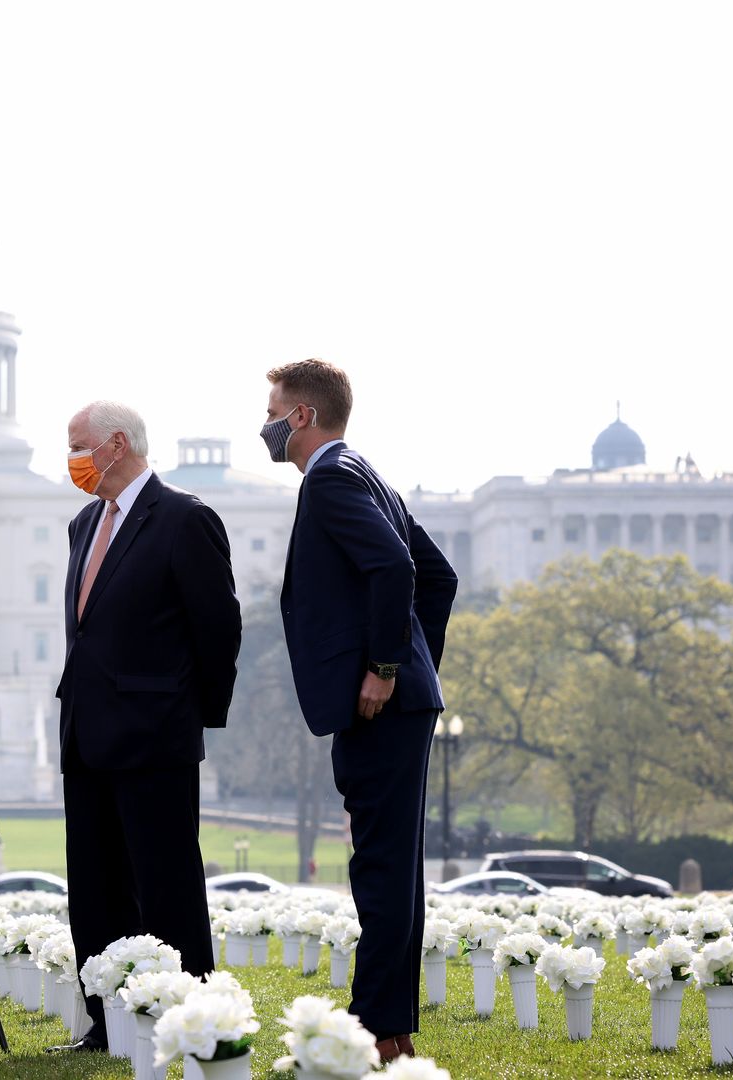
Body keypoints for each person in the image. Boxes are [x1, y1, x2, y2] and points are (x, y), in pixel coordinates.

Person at [265, 359, 457, 1063]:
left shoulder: (333, 480)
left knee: (380, 868)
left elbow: (400, 571)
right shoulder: (365, 472)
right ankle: (391, 1028)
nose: (268, 423)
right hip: (398, 706)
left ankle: (377, 1031)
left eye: (274, 408)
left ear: (303, 416)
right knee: (394, 869)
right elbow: (437, 576)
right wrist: (412, 670)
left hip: (379, 706)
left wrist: (386, 670)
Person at [47, 401, 242, 1054]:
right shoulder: (83, 522)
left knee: (167, 891)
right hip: (87, 733)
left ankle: (192, 1022)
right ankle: (108, 1025)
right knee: (95, 892)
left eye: (79, 445)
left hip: (156, 735)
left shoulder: (185, 518)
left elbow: (218, 629)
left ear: (117, 444)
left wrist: (192, 714)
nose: (71, 457)